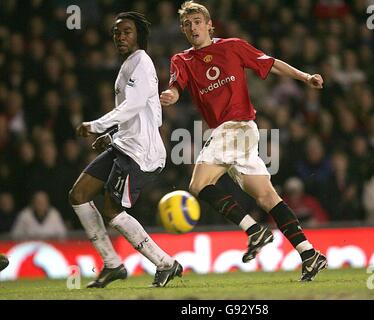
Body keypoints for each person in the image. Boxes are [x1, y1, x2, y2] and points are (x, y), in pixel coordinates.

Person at [160, 1, 327, 281]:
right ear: (182, 30)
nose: (193, 27)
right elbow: (176, 87)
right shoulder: (181, 60)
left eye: (198, 21)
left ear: (210, 24)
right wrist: (171, 96)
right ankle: (309, 253)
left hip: (237, 126)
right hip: (229, 133)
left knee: (199, 184)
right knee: (267, 197)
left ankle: (254, 230)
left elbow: (270, 64)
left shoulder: (232, 46)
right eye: (187, 24)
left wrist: (305, 76)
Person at [69, 12, 181, 288]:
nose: (120, 37)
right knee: (78, 195)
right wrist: (111, 135)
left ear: (138, 35)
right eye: (117, 33)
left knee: (111, 209)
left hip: (140, 153)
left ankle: (165, 263)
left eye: (126, 31)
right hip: (124, 145)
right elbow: (137, 114)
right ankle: (112, 264)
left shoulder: (142, 62)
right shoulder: (128, 65)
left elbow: (132, 106)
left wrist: (97, 125)